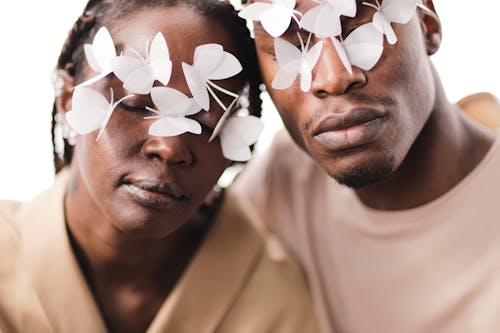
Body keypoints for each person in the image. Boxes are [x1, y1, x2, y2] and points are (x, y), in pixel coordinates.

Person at [0, 1, 319, 332]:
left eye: (207, 122)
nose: (170, 147)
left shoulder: (277, 295)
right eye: (137, 105)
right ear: (68, 100)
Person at [234, 0, 500, 332]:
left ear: (427, 24)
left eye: (360, 28)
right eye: (291, 45)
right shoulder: (281, 182)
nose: (333, 78)